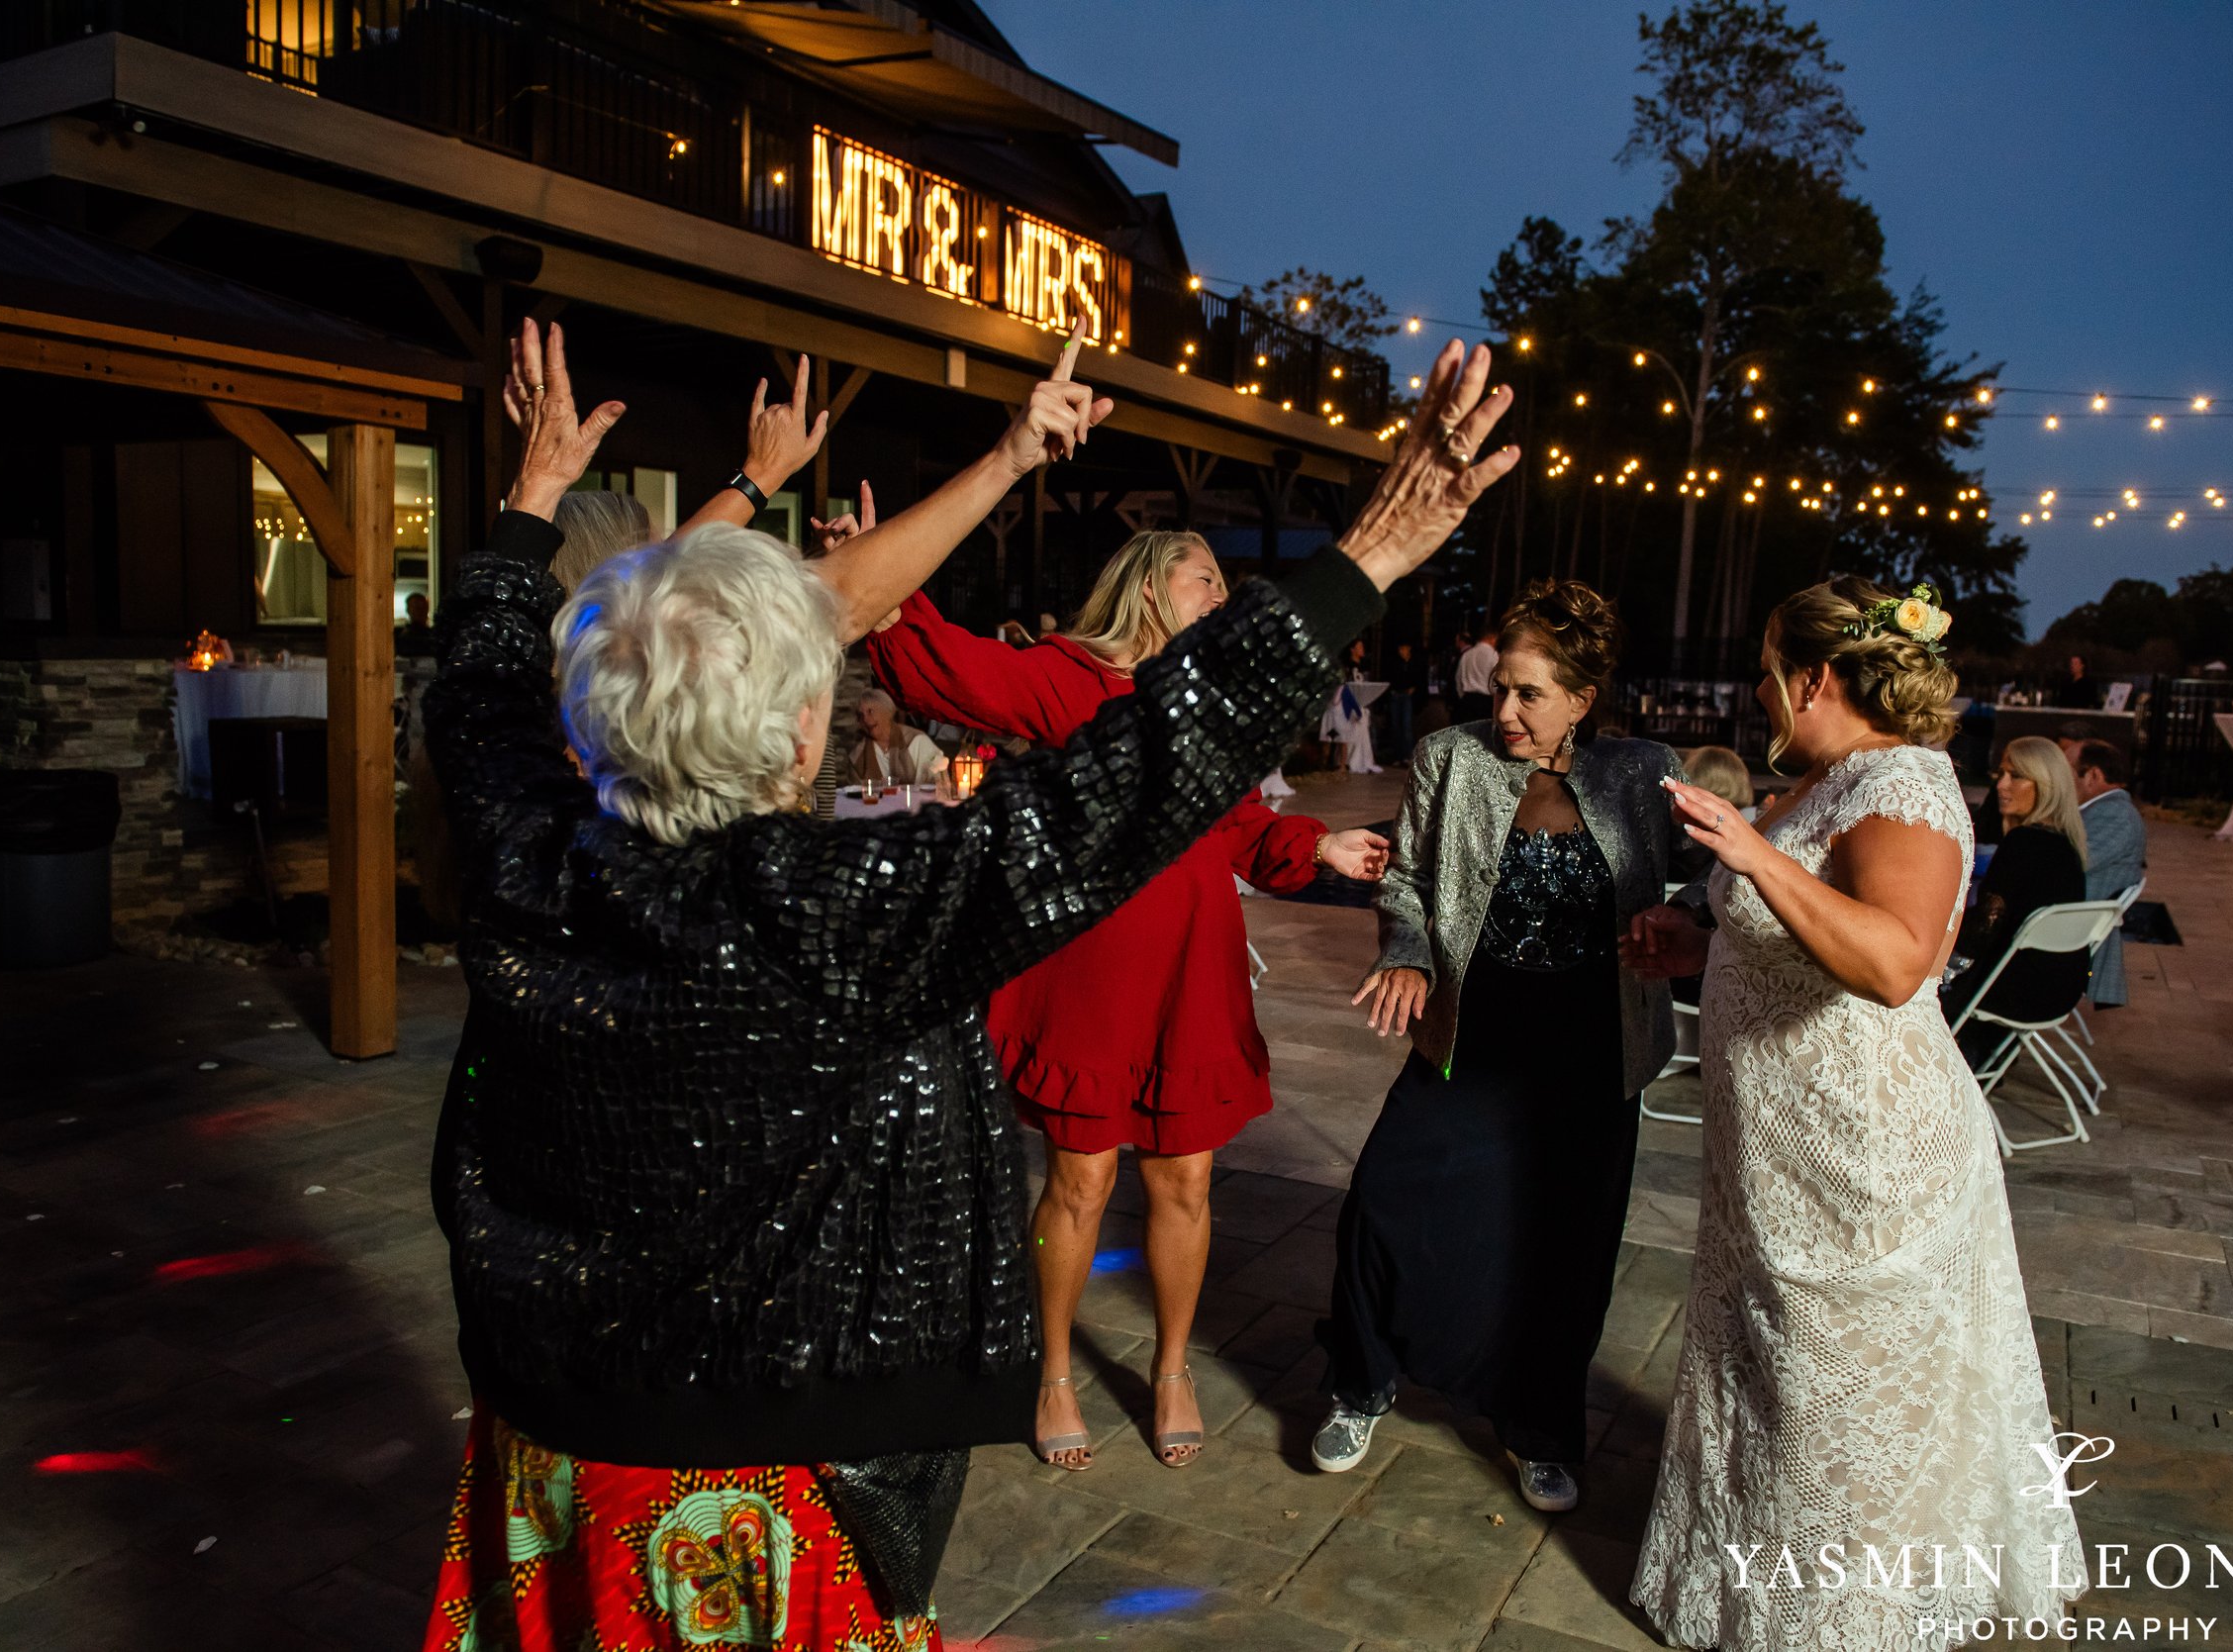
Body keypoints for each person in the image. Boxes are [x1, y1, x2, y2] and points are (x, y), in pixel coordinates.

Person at [421, 320, 1517, 1650]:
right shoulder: (848, 915)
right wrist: (1376, 553)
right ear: (811, 724)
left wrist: (530, 502)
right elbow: (1143, 775)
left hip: (548, 1455)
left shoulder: (517, 849)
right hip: (761, 1502)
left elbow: (477, 680)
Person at [867, 525, 1397, 1471]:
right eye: (1207, 581)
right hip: (1092, 973)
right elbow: (939, 669)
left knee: (1186, 1180)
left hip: (1191, 970)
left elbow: (1238, 822)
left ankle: (1172, 1368)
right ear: (1152, 586)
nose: (1222, 598)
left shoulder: (1207, 702)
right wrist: (882, 571)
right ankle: (1054, 1371)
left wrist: (1313, 846)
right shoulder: (1068, 680)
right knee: (1082, 1181)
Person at [1622, 578, 2085, 1649]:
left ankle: (1836, 1621)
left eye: (1767, 669)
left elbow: (1890, 961)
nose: (1758, 690)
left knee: (1836, 1403)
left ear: (1812, 677)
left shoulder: (1905, 788)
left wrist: (1746, 854)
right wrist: (1698, 943)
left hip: (1862, 1158)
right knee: (1772, 1377)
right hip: (1778, 1157)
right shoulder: (1818, 783)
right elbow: (1792, 938)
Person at [1314, 581, 1682, 1515]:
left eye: (1529, 694)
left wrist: (1680, 923)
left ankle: (1541, 1426)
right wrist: (1407, 955)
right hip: (1474, 1029)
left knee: (1563, 1243)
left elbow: (1699, 889)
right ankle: (1360, 1381)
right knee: (1385, 1200)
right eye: (1500, 690)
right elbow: (1406, 885)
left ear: (1583, 698)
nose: (1505, 711)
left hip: (1592, 1045)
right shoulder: (1450, 758)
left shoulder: (1642, 772)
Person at [1941, 735, 2090, 1061]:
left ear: (2046, 784)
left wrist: (1937, 939)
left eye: (2017, 776)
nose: (2002, 785)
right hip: (2059, 989)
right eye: (2001, 774)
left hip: (2013, 991)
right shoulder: (2067, 842)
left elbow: (1984, 928)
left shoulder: (2024, 842)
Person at [2067, 737, 2146, 1008]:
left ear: (2093, 775)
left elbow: (2070, 863)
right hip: (2063, 923)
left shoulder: (2116, 814)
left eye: (2065, 769)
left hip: (2067, 933)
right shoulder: (2104, 811)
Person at [851, 688, 945, 789]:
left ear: (886, 711)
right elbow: (854, 793)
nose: (865, 719)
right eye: (860, 715)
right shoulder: (858, 754)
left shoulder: (917, 742)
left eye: (870, 711)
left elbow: (936, 784)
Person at [1321, 636, 1384, 774]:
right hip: (1343, 708)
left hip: (1357, 705)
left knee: (1357, 735)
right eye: (1359, 647)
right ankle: (1338, 762)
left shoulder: (1364, 666)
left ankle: (1356, 761)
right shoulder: (1347, 667)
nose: (1362, 650)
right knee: (1338, 736)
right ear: (1352, 649)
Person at [1383, 638, 1426, 763]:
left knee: (1406, 726)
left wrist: (1413, 688)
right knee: (1396, 725)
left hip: (1406, 696)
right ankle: (1397, 755)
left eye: (1403, 648)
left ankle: (1407, 755)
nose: (1401, 651)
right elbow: (1392, 677)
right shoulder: (1395, 662)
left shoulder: (1414, 662)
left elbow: (1418, 677)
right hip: (1396, 694)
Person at [1454, 624, 1499, 722]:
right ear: (1492, 637)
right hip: (1486, 702)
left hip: (1467, 700)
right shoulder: (1494, 655)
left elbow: (1458, 679)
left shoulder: (1467, 654)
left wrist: (1462, 696)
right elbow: (1497, 680)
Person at [399, 590, 440, 659]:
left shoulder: (433, 633)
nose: (420, 611)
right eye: (416, 608)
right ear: (408, 610)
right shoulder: (406, 636)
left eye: (423, 607)